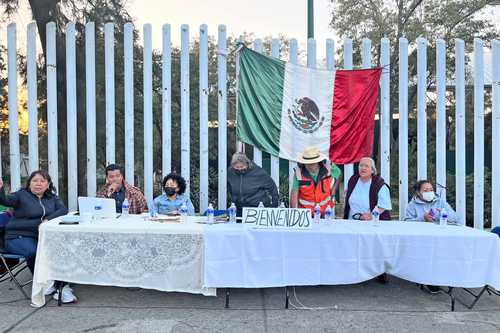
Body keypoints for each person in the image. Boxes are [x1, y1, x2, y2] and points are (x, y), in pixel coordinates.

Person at [0, 170, 77, 302]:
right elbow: (5, 200)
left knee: (61, 248)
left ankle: (61, 286)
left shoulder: (51, 198)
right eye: (35, 181)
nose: (38, 184)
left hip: (40, 236)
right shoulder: (21, 195)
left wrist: (47, 220)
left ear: (48, 184)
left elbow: (63, 210)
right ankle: (46, 283)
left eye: (42, 181)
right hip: (17, 237)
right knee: (35, 251)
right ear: (29, 183)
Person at [290, 147, 341, 217]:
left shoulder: (329, 166)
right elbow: (294, 193)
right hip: (305, 213)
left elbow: (339, 174)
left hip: (326, 211)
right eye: (306, 163)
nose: (309, 166)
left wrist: (334, 189)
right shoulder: (298, 172)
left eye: (312, 163)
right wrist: (294, 213)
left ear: (318, 161)